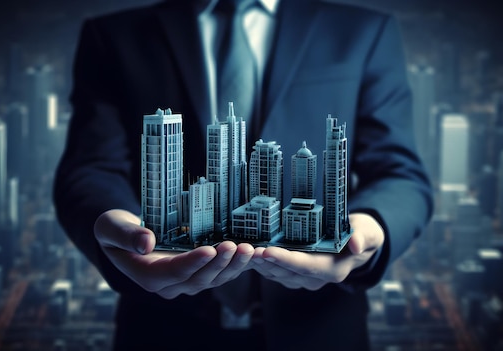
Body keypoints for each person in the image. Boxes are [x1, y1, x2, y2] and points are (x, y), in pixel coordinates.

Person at [53, 0, 433, 349]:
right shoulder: (116, 36)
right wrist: (118, 228)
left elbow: (399, 172)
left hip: (319, 329)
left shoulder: (362, 31)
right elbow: (91, 168)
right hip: (162, 328)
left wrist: (368, 229)